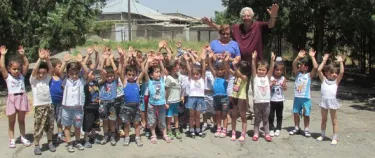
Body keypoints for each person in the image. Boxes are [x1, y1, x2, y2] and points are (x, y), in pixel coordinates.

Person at [202, 4, 279, 62]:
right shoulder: (236, 28)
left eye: (248, 16)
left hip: (256, 62)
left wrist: (273, 16)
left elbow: (271, 25)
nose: (246, 18)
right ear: (241, 17)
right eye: (244, 16)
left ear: (252, 16)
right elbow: (222, 29)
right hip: (241, 63)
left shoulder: (258, 25)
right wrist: (211, 24)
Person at [0, 45, 31, 148]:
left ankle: (23, 137)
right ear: (9, 69)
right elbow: (2, 66)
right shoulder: (7, 77)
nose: (17, 71)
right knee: (11, 121)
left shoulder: (22, 76)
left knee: (21, 120)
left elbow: (26, 64)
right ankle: (12, 140)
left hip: (22, 98)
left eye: (18, 69)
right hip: (12, 99)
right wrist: (3, 55)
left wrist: (23, 55)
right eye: (14, 69)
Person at [59, 53, 89, 152]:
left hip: (78, 108)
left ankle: (77, 141)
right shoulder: (65, 80)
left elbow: (87, 71)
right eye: (71, 74)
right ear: (68, 73)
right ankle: (69, 143)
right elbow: (60, 72)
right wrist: (65, 62)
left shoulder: (81, 81)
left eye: (76, 73)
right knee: (67, 126)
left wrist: (80, 62)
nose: (74, 75)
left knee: (77, 126)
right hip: (66, 108)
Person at [30, 49, 56, 155]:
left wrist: (47, 59)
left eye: (43, 73)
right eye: (39, 73)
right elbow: (34, 70)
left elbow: (51, 69)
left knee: (50, 126)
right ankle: (37, 145)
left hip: (49, 106)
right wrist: (39, 59)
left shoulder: (47, 79)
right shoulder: (33, 81)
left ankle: (50, 142)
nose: (41, 75)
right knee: (38, 127)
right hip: (39, 107)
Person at [316, 54, 344, 145]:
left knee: (334, 120)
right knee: (324, 119)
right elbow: (319, 70)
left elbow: (342, 73)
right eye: (332, 72)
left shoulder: (336, 82)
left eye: (336, 73)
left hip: (332, 102)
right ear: (327, 73)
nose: (335, 74)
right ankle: (322, 135)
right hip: (324, 101)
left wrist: (341, 62)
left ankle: (335, 137)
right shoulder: (323, 80)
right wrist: (324, 61)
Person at [289, 49, 318, 137]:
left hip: (306, 98)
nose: (299, 66)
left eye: (301, 65)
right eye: (299, 65)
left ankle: (306, 129)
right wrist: (298, 57)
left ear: (306, 67)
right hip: (297, 97)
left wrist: (312, 57)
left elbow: (316, 67)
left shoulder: (309, 75)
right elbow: (293, 64)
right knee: (296, 113)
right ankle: (297, 128)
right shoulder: (297, 74)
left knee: (306, 114)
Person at [118, 50, 144, 147]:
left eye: (133, 75)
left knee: (137, 123)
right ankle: (127, 137)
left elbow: (143, 71)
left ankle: (137, 137)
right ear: (126, 75)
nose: (131, 76)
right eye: (129, 75)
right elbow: (120, 71)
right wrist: (122, 59)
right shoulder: (125, 82)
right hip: (126, 107)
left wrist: (135, 59)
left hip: (136, 106)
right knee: (127, 123)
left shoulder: (137, 82)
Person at [144, 54, 170, 144]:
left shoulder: (162, 80)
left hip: (161, 104)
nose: (159, 73)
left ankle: (164, 134)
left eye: (159, 72)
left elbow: (163, 70)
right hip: (152, 104)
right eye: (156, 72)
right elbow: (144, 72)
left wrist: (160, 61)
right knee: (152, 120)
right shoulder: (150, 82)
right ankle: (153, 135)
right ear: (151, 75)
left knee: (162, 119)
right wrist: (147, 62)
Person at [251, 51, 275, 142]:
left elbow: (272, 69)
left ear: (266, 71)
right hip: (257, 102)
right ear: (257, 70)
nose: (261, 71)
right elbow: (253, 68)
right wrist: (253, 59)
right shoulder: (255, 78)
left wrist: (273, 60)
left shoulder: (267, 78)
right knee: (257, 119)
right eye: (259, 69)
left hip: (266, 102)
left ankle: (267, 133)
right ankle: (256, 133)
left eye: (263, 70)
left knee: (265, 119)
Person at [184, 52, 207, 138]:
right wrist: (187, 61)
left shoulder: (202, 79)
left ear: (200, 74)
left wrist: (204, 60)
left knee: (198, 116)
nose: (195, 76)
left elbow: (204, 69)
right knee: (191, 116)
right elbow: (189, 70)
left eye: (197, 74)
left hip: (200, 99)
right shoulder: (191, 80)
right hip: (192, 98)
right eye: (194, 74)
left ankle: (198, 129)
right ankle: (191, 130)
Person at [98, 51, 118, 146]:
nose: (109, 78)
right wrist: (103, 59)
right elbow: (101, 71)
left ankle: (113, 136)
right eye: (107, 76)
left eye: (111, 76)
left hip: (112, 103)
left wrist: (110, 60)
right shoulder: (102, 81)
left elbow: (115, 70)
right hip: (103, 103)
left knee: (112, 120)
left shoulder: (115, 81)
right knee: (105, 121)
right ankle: (106, 136)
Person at [82, 48, 101, 148]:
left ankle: (93, 137)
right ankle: (85, 139)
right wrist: (88, 55)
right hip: (88, 107)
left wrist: (97, 53)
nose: (92, 75)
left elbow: (97, 63)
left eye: (93, 74)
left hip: (96, 106)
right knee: (87, 124)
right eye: (91, 73)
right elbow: (84, 68)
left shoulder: (96, 82)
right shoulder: (86, 83)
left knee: (95, 123)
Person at [207, 51, 229, 138]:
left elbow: (227, 69)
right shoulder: (215, 76)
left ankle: (224, 130)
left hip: (224, 98)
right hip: (216, 98)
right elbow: (210, 66)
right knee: (218, 114)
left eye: (222, 70)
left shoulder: (226, 77)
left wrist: (225, 60)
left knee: (224, 114)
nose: (220, 71)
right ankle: (219, 128)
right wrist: (209, 58)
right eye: (218, 70)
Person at [229, 60, 251, 142]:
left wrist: (234, 66)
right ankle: (233, 133)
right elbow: (228, 69)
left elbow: (239, 74)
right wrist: (227, 60)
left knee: (243, 117)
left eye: (239, 68)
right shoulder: (236, 76)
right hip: (234, 97)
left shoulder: (245, 77)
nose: (237, 69)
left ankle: (243, 134)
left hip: (242, 98)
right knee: (233, 116)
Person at [165, 60, 183, 140]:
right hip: (170, 101)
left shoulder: (179, 76)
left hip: (177, 101)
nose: (179, 67)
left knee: (176, 116)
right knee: (169, 117)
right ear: (173, 68)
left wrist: (181, 96)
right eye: (177, 66)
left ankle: (176, 130)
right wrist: (166, 102)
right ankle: (169, 130)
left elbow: (181, 88)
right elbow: (165, 90)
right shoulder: (169, 78)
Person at [269, 60, 287, 137]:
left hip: (280, 100)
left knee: (279, 115)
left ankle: (278, 128)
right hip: (271, 100)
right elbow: (267, 88)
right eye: (277, 70)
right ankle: (271, 128)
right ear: (273, 69)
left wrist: (284, 86)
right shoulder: (271, 77)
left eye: (280, 70)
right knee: (271, 115)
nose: (279, 71)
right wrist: (271, 84)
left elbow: (285, 88)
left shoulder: (283, 78)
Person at [49, 57, 65, 143]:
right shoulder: (49, 78)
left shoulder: (62, 77)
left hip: (60, 102)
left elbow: (61, 71)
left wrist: (65, 62)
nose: (61, 67)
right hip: (51, 102)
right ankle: (50, 136)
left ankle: (60, 134)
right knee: (51, 120)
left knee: (59, 120)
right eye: (59, 66)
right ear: (53, 68)